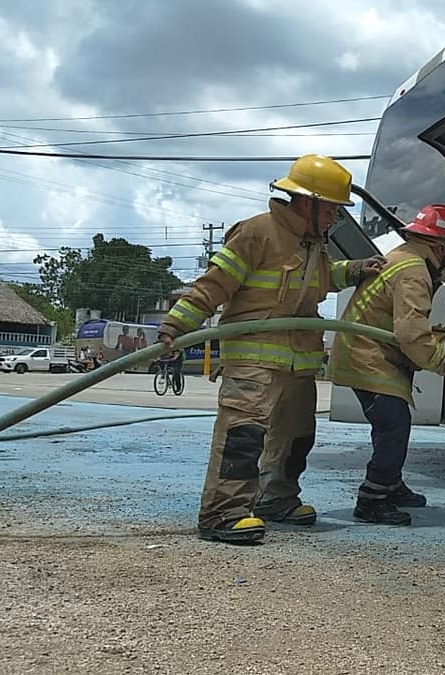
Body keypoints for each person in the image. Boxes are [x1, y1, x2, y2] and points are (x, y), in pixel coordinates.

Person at [156, 155, 386, 544]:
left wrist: (357, 269)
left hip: (298, 362)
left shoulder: (313, 243)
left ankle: (275, 500)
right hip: (253, 360)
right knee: (243, 436)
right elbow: (213, 285)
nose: (335, 217)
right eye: (331, 208)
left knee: (296, 438)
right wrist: (174, 327)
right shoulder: (257, 233)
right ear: (306, 203)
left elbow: (322, 279)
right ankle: (222, 513)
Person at [327, 204, 445, 525]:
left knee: (388, 423)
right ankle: (372, 498)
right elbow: (410, 333)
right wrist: (442, 362)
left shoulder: (404, 259)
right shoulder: (414, 271)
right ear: (440, 247)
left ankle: (391, 484)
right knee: (394, 424)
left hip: (369, 353)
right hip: (368, 356)